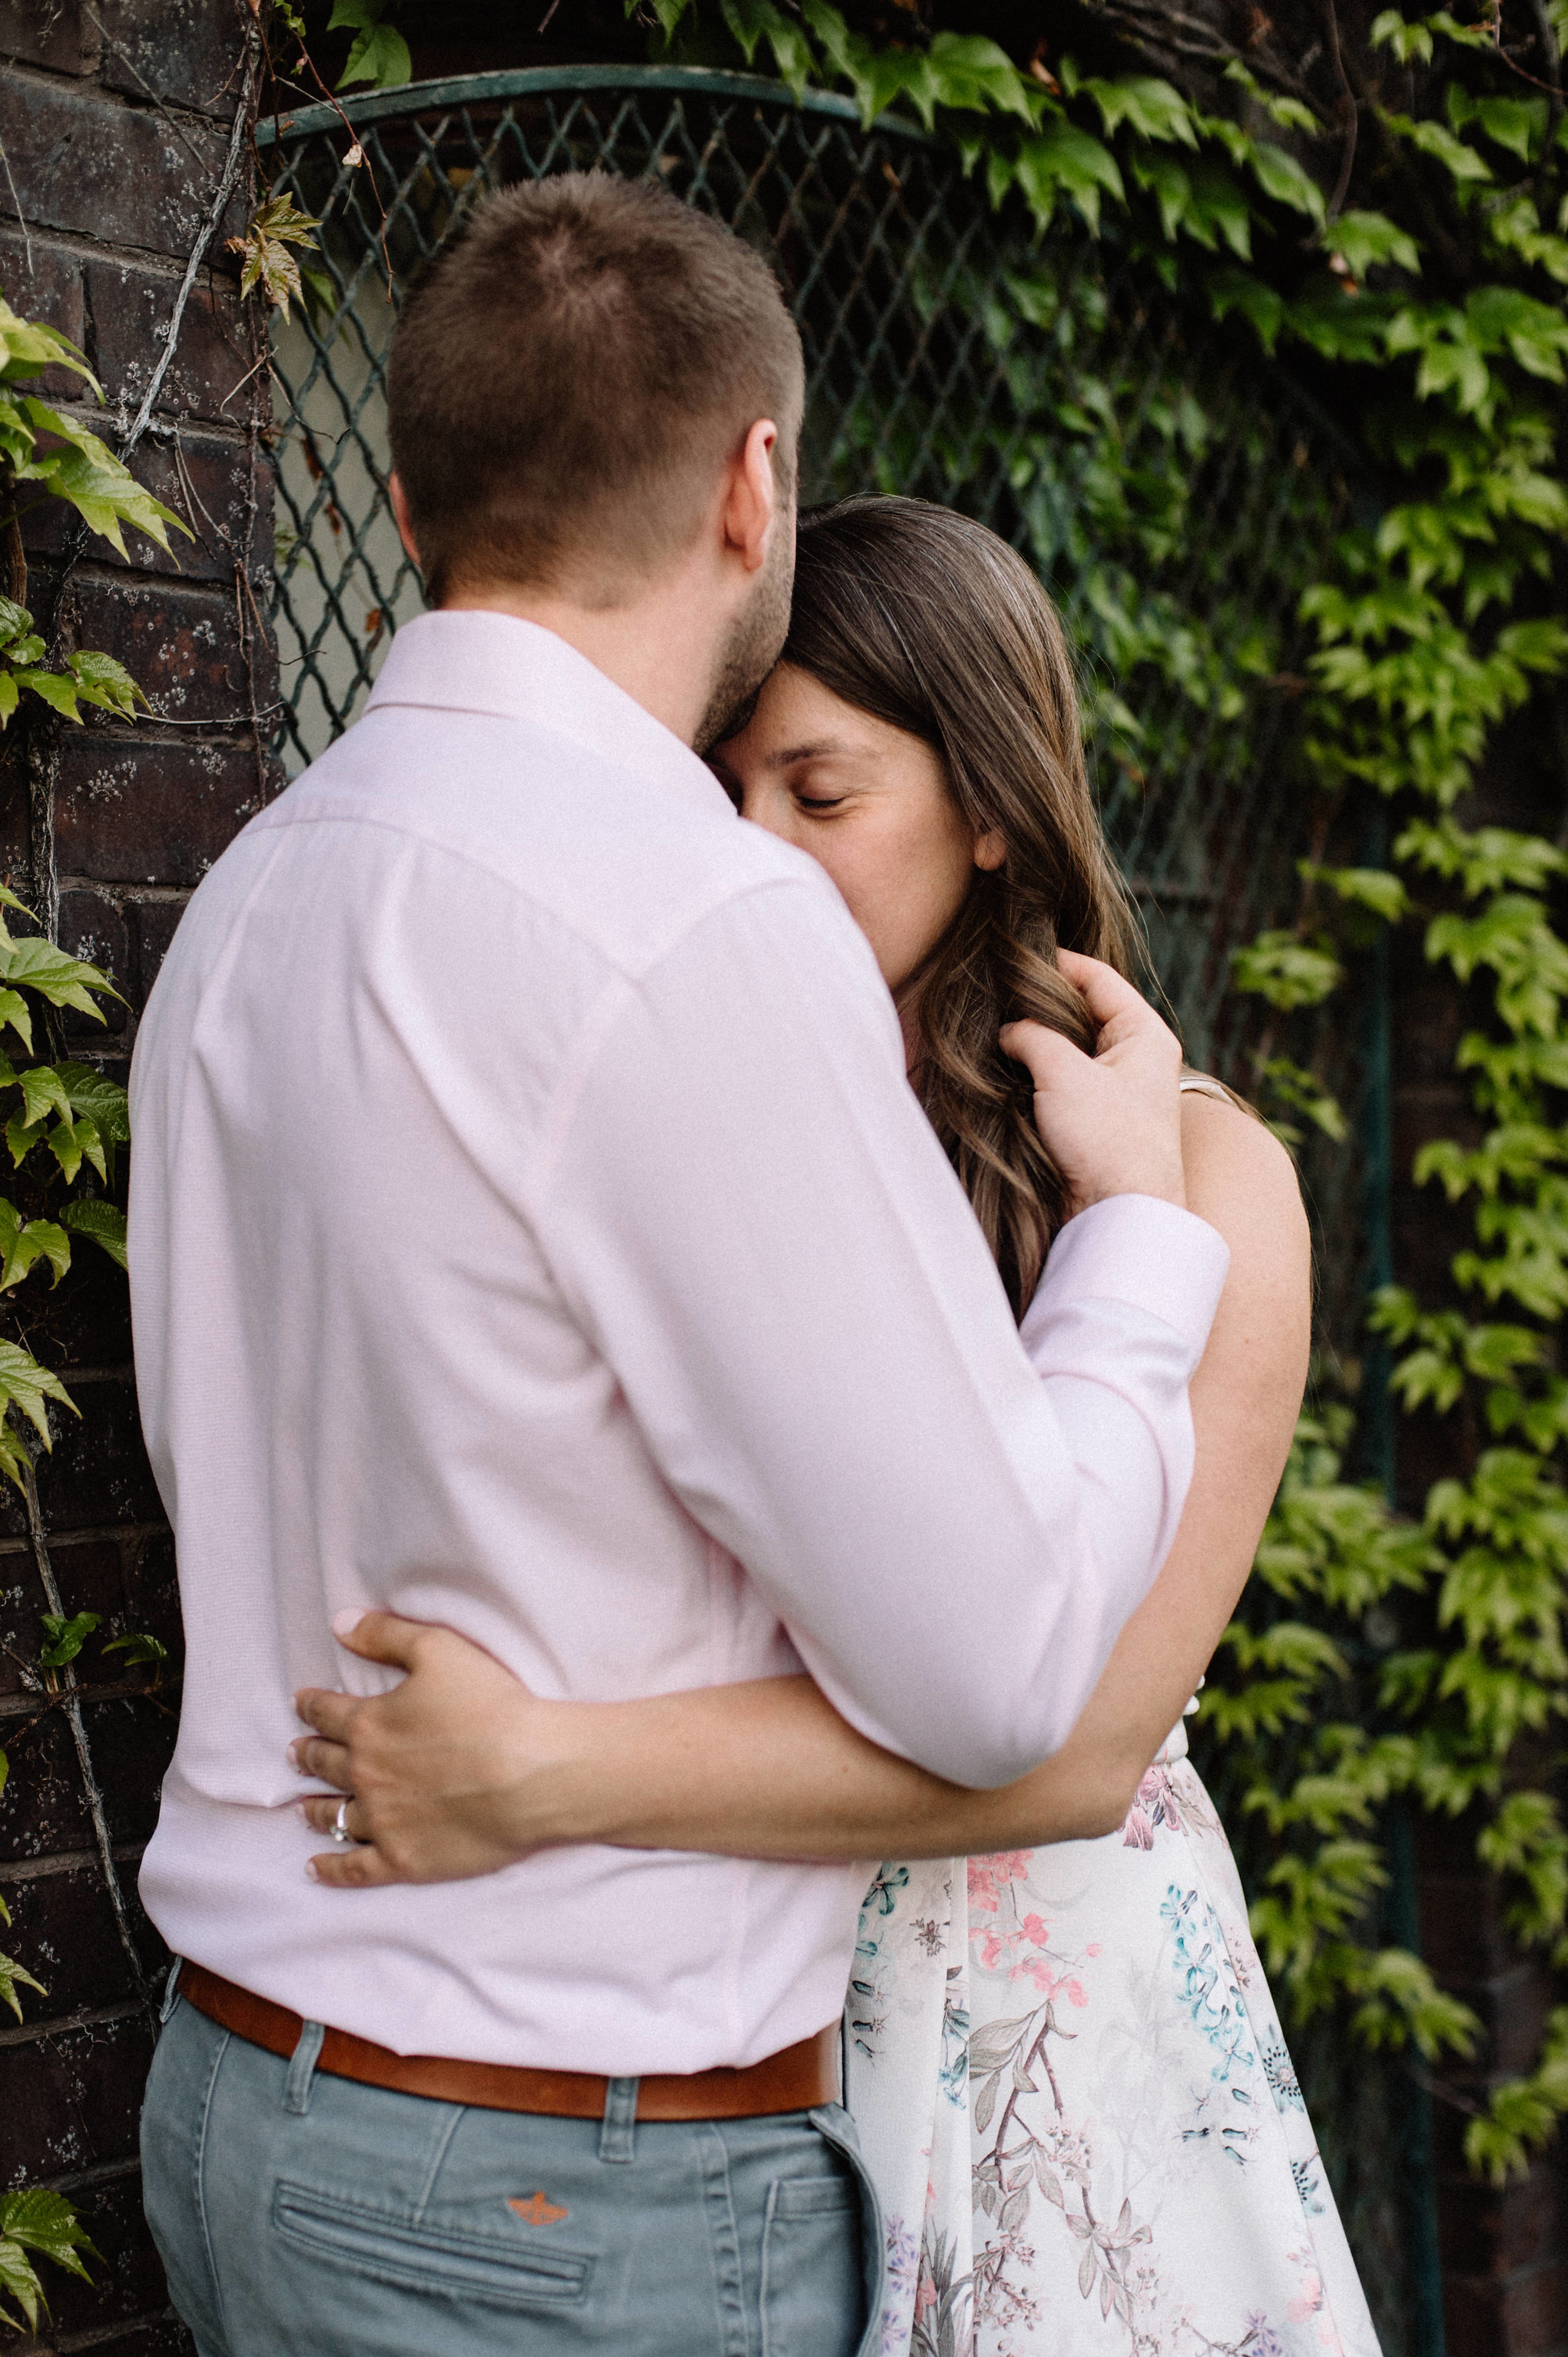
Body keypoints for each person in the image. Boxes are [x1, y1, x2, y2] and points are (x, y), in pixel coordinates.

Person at [128, 178, 1229, 2357]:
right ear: (757, 487)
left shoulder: (251, 896)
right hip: (548, 2190)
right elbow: (1002, 1663)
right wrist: (1137, 1257)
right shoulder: (689, 923)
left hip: (241, 2106)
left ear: (407, 490)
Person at [289, 500, 1381, 2355]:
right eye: (722, 793)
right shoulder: (713, 1120)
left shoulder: (1204, 1172)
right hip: (727, 2027)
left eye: (820, 791)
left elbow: (1079, 1754)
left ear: (991, 808)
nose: (757, 850)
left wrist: (536, 1770)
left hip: (1057, 2049)